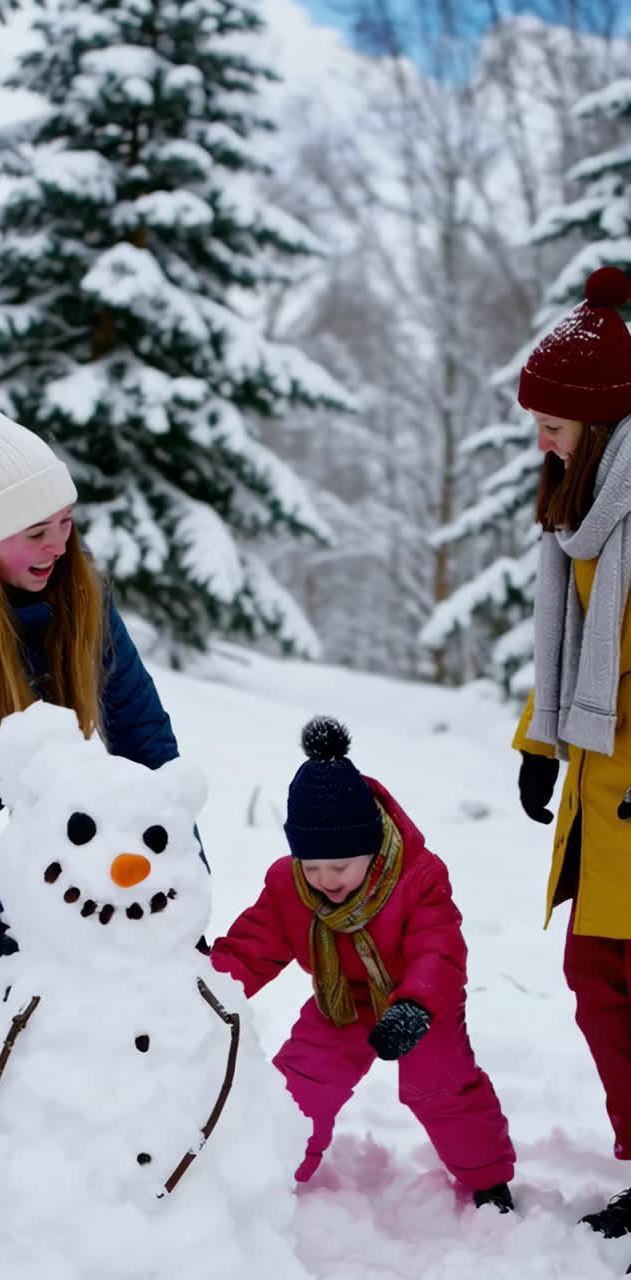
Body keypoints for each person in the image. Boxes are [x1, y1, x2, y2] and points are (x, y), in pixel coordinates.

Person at [0, 394, 185, 1162]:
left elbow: (148, 748)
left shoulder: (75, 594)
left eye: (65, 522)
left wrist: (177, 881)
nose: (59, 546)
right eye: (35, 532)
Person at [211, 716, 515, 1210]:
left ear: (371, 850)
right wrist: (203, 989)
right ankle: (270, 1180)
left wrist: (416, 1006)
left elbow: (438, 950)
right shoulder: (288, 886)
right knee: (300, 1085)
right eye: (312, 866)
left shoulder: (418, 877)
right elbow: (251, 948)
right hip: (342, 1001)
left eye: (340, 866)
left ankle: (489, 1182)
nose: (326, 880)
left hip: (418, 1006)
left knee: (441, 1089)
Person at [512, 265, 631, 1239]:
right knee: (598, 983)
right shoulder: (578, 510)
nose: (541, 440)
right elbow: (569, 639)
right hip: (603, 778)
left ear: (597, 421)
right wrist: (539, 743)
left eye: (553, 423)